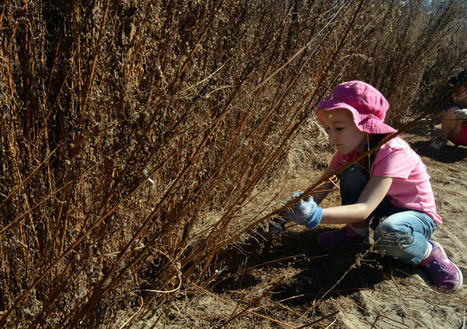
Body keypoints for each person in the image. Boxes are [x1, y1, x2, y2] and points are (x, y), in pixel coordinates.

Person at [282, 80, 463, 291]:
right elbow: (325, 184)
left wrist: (315, 215)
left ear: (364, 125)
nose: (331, 136)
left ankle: (429, 253)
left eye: (338, 128)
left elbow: (365, 208)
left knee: (389, 233)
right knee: (349, 172)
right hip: (383, 206)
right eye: (328, 128)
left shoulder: (392, 150)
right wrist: (299, 205)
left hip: (414, 216)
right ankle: (356, 233)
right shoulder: (348, 151)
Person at [430, 70, 467, 150]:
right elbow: (443, 117)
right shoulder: (454, 102)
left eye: (460, 89)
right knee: (449, 111)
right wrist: (433, 121)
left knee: (454, 111)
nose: (456, 92)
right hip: (456, 134)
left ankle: (442, 139)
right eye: (455, 89)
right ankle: (442, 139)